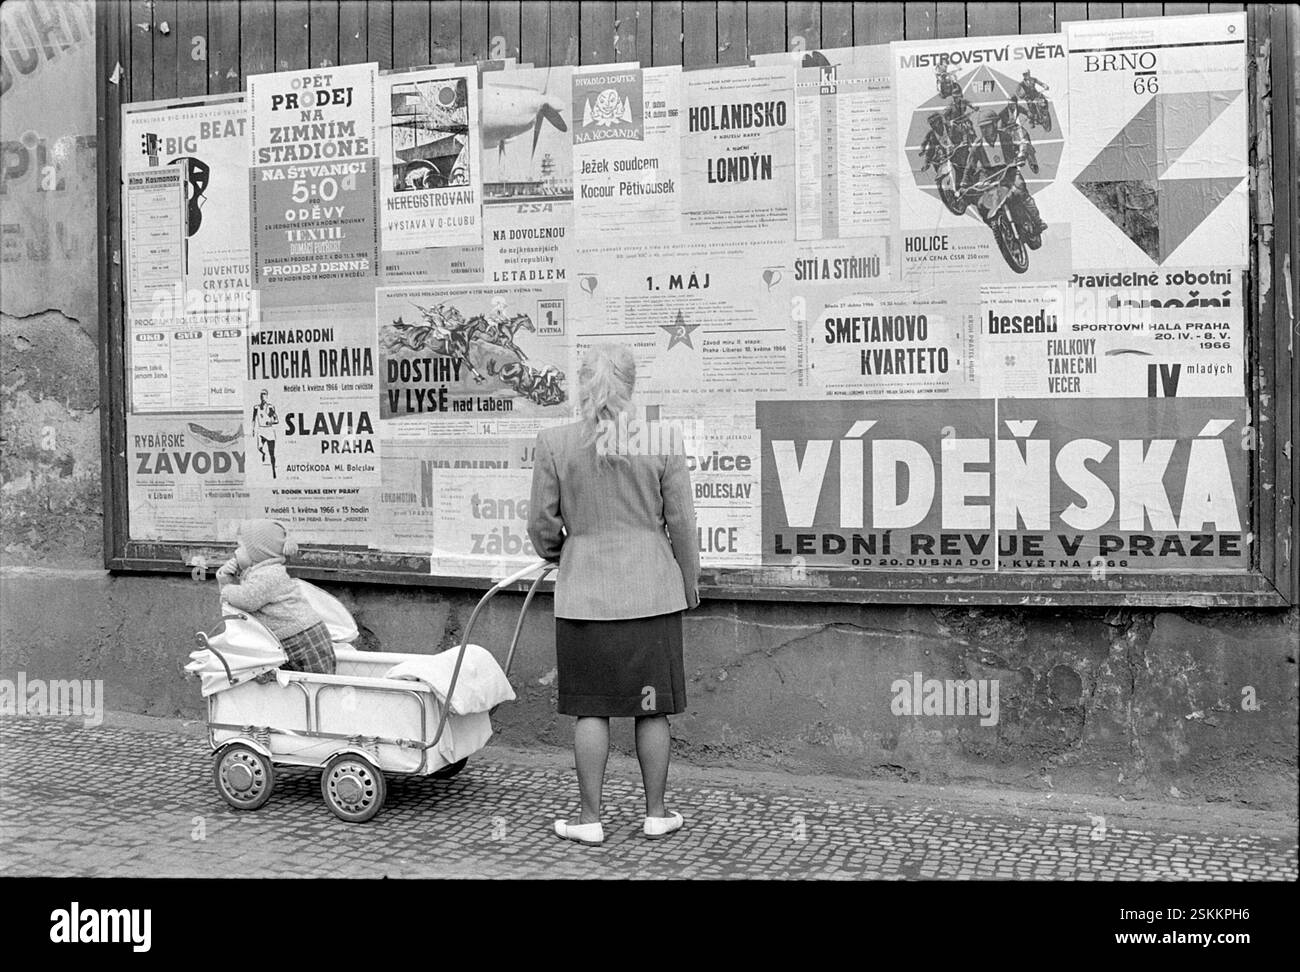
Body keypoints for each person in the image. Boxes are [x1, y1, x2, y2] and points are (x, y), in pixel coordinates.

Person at [527, 344, 700, 846]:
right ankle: (656, 813)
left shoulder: (555, 442)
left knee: (591, 709)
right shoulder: (662, 438)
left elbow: (542, 525)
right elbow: (682, 522)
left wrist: (568, 553)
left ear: (582, 383)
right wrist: (687, 581)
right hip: (654, 592)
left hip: (584, 596)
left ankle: (589, 818)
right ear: (632, 384)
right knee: (653, 708)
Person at [216, 519, 336, 675]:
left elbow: (247, 600)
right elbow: (238, 601)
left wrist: (226, 588)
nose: (236, 552)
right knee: (303, 686)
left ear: (258, 553)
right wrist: (226, 578)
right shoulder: (259, 573)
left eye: (240, 547)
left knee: (318, 686)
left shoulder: (269, 575)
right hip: (297, 637)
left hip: (304, 638)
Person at [972, 106, 1047, 236]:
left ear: (995, 124)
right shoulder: (978, 145)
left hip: (1010, 173)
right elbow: (969, 166)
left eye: (987, 126)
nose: (984, 130)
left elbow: (1021, 143)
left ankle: (1037, 220)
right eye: (982, 127)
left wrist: (1021, 155)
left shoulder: (1006, 136)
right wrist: (964, 184)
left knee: (1021, 192)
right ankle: (997, 227)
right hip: (992, 179)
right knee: (981, 205)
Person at [251, 390, 278, 480]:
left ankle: (274, 470)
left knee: (272, 453)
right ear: (260, 397)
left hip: (269, 431)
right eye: (261, 396)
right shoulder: (256, 408)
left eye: (264, 396)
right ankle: (263, 453)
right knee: (259, 448)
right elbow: (253, 419)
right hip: (261, 430)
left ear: (267, 397)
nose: (263, 398)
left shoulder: (270, 407)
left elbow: (276, 420)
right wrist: (253, 429)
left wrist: (270, 421)